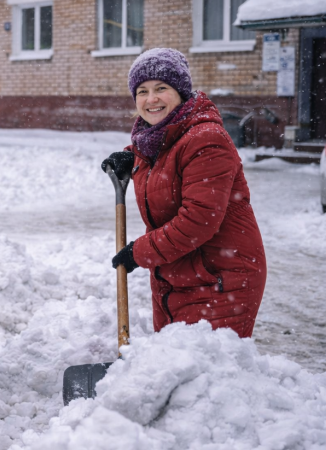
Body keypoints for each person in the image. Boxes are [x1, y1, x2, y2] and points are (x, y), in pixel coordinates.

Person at [102, 48, 266, 339]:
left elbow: (198, 221)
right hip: (177, 275)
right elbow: (169, 159)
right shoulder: (157, 139)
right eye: (142, 91)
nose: (151, 99)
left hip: (220, 279)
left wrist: (138, 253)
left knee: (205, 375)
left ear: (180, 93)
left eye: (161, 88)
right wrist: (133, 157)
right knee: (176, 370)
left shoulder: (207, 139)